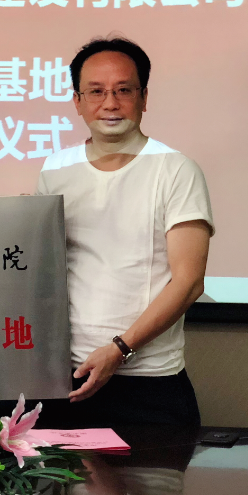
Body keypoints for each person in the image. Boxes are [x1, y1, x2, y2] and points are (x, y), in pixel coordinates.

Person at [36, 36, 213, 427]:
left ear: (144, 97)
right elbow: (48, 272)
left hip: (148, 382)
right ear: (77, 101)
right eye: (96, 91)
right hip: (67, 374)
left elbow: (189, 282)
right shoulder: (55, 169)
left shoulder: (176, 170)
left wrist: (119, 349)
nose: (110, 103)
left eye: (123, 90)